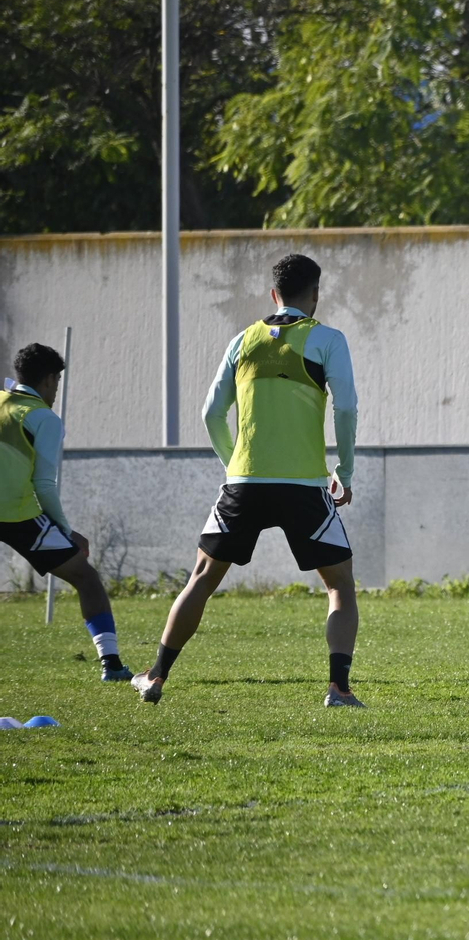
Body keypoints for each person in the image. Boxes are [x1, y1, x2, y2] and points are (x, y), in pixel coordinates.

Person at [131, 254, 361, 706]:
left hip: (244, 483)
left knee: (201, 578)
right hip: (304, 488)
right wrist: (345, 472)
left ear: (273, 293)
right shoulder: (328, 339)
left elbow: (210, 413)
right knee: (339, 585)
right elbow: (346, 408)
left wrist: (233, 463)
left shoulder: (242, 341)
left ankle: (156, 676)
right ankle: (338, 687)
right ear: (315, 294)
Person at [0, 344, 129, 682]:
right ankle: (112, 664)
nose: (56, 390)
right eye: (56, 381)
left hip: (17, 512)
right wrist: (67, 530)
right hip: (19, 516)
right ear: (47, 380)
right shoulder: (43, 417)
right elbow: (44, 485)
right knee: (87, 578)